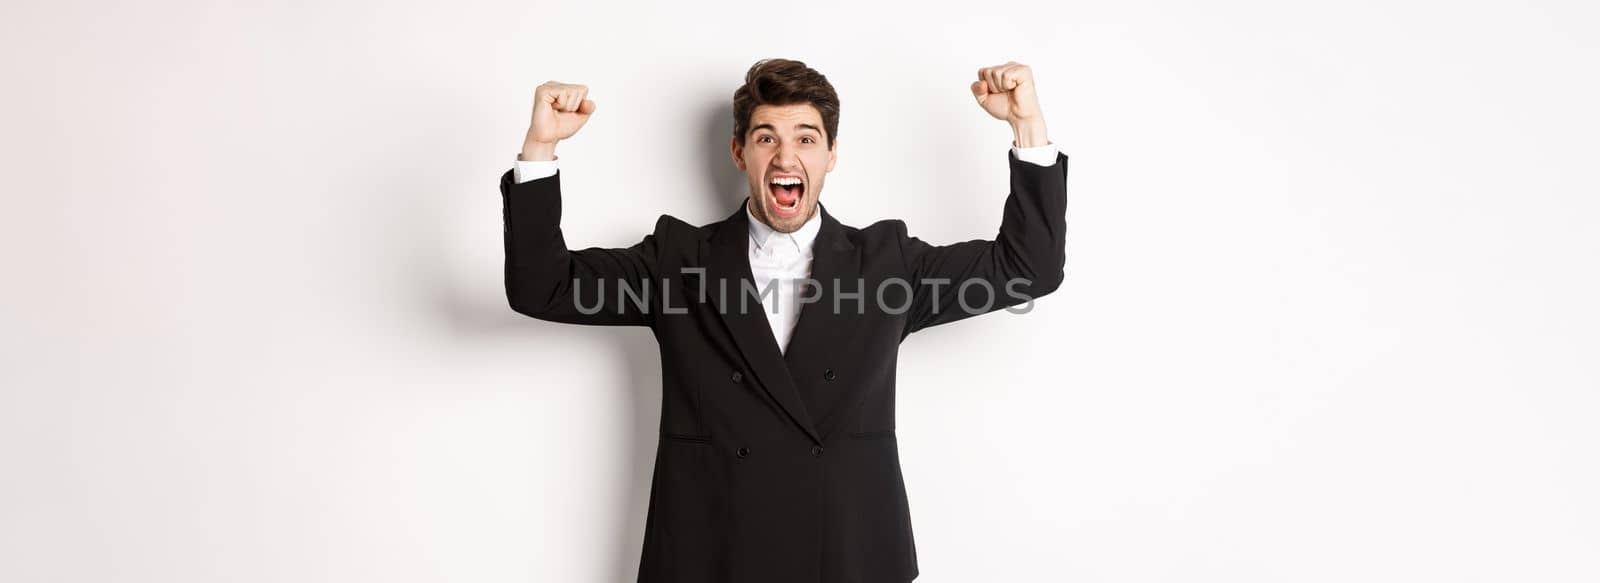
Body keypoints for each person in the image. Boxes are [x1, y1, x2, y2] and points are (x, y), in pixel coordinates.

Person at [500, 58, 1067, 583]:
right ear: (739, 152)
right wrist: (540, 148)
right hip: (712, 555)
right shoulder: (678, 260)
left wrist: (1028, 126)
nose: (786, 157)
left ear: (831, 155)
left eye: (806, 138)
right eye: (766, 137)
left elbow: (1026, 270)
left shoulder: (888, 263)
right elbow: (543, 288)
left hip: (848, 556)